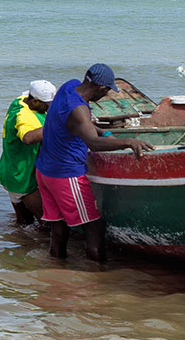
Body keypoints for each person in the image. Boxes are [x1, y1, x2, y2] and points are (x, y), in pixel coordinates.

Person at [34, 63, 152, 263]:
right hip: (66, 174)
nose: (104, 96)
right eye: (107, 92)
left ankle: (55, 269)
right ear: (101, 89)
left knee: (59, 226)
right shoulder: (79, 109)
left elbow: (80, 125)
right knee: (94, 227)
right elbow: (93, 144)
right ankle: (96, 276)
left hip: (44, 171)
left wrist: (104, 131)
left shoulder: (68, 87)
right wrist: (129, 142)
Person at [0, 80, 57, 226]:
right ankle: (35, 246)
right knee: (47, 222)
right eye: (47, 105)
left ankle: (20, 245)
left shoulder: (19, 101)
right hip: (22, 178)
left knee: (24, 222)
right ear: (36, 102)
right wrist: (59, 125)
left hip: (10, 171)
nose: (49, 108)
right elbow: (28, 137)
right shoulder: (24, 116)